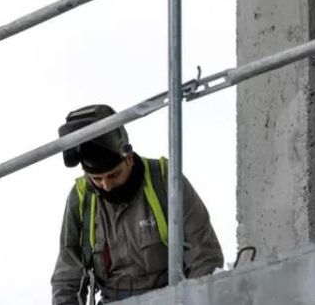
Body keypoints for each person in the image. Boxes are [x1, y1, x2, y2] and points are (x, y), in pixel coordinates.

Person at [51, 105, 224, 303]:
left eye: (113, 175)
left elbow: (204, 255)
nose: (106, 185)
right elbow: (67, 277)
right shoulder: (81, 198)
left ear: (129, 158)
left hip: (170, 298)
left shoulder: (166, 179)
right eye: (97, 179)